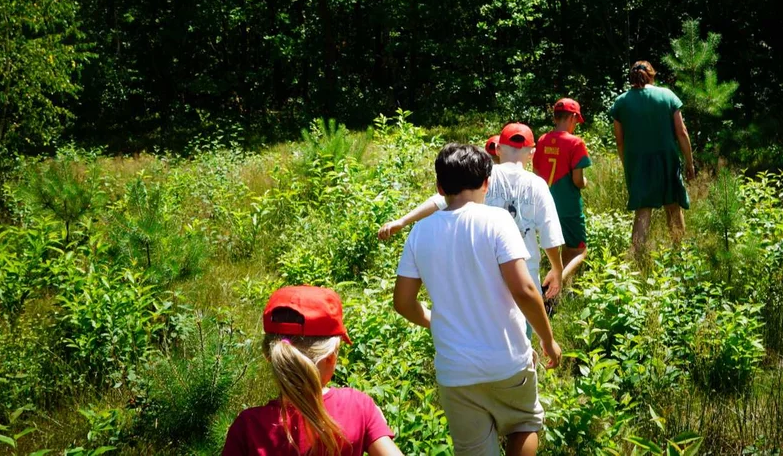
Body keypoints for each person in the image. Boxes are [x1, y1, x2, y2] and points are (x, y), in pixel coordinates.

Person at [393, 143, 562, 456]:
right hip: (507, 360)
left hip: (455, 371)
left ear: (440, 186)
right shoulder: (497, 221)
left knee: (472, 449)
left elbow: (403, 303)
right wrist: (548, 340)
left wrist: (433, 320)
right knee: (523, 424)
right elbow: (525, 290)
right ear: (487, 182)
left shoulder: (420, 232)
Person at [378, 124, 566, 300]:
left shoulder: (484, 177)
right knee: (522, 331)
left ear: (498, 149)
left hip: (485, 272)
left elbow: (439, 201)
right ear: (532, 153)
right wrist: (556, 269)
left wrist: (402, 221)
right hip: (525, 272)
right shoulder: (537, 185)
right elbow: (550, 234)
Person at [221, 286, 402, 456]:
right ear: (331, 356)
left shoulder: (248, 426)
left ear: (268, 354)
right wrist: (373, 423)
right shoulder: (358, 407)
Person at [609, 61, 695, 256]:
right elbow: (681, 132)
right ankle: (679, 254)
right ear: (652, 75)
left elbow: (620, 141)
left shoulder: (621, 102)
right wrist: (689, 162)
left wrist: (627, 163)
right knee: (673, 207)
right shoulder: (667, 96)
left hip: (638, 163)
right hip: (667, 160)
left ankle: (638, 258)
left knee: (643, 210)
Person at [533, 98, 592, 282]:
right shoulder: (576, 143)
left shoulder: (542, 140)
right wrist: (585, 182)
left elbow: (536, 174)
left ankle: (556, 288)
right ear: (573, 117)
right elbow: (577, 180)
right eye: (576, 121)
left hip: (546, 206)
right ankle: (554, 288)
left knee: (560, 250)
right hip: (569, 207)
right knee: (580, 250)